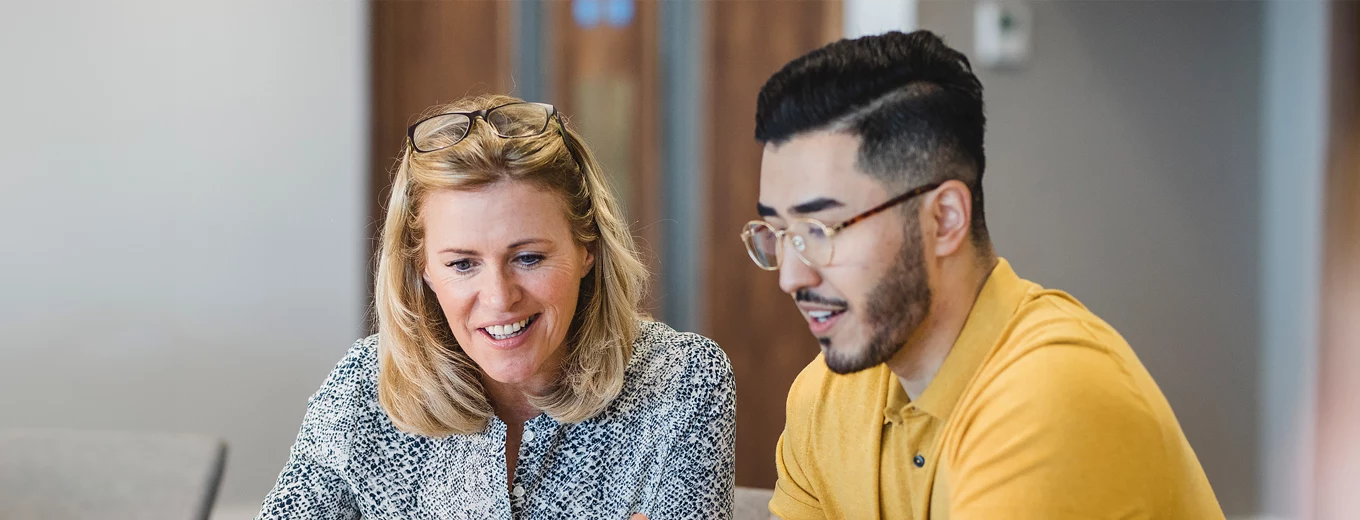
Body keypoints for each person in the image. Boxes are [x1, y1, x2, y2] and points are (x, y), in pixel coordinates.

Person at [745, 31, 1223, 519]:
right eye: (779, 232)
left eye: (820, 229)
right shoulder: (823, 397)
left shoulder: (1051, 393)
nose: (791, 276)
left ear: (944, 219)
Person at [258, 94, 735, 519]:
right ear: (422, 267)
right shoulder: (365, 383)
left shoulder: (681, 380)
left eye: (528, 258)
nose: (500, 297)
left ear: (587, 248)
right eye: (463, 264)